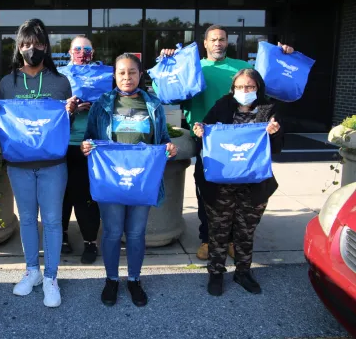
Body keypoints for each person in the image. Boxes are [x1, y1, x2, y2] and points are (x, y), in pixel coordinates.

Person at [156, 25, 293, 261]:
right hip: (207, 137)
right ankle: (208, 239)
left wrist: (284, 56)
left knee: (242, 192)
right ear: (205, 44)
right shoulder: (191, 66)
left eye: (221, 39)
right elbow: (167, 89)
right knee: (207, 189)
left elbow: (271, 80)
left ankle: (232, 239)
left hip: (244, 140)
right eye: (213, 40)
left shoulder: (242, 67)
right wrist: (167, 59)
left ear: (227, 42)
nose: (217, 43)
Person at [0, 19, 77, 308]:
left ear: (46, 47)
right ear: (18, 47)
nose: (31, 49)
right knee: (26, 219)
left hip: (53, 164)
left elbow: (65, 122)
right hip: (19, 164)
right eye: (25, 44)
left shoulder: (60, 82)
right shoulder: (8, 82)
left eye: (37, 44)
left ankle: (51, 277)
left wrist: (71, 111)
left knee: (52, 220)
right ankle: (32, 271)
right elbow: (4, 122)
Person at [81, 53, 177, 307]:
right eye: (121, 72)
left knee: (136, 233)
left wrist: (169, 147)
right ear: (114, 75)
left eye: (132, 72)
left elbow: (163, 138)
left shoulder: (153, 104)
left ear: (140, 74)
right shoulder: (102, 104)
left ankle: (134, 279)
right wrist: (86, 146)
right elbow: (90, 137)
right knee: (112, 232)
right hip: (111, 179)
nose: (127, 77)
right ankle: (111, 279)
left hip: (142, 180)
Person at [192, 68, 283, 296]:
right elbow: (204, 133)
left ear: (258, 88)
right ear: (233, 89)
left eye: (250, 86)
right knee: (218, 229)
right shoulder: (223, 105)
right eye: (240, 87)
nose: (245, 91)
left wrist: (274, 133)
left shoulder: (269, 109)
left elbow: (278, 148)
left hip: (254, 182)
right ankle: (216, 272)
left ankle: (243, 272)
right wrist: (199, 130)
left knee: (245, 230)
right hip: (221, 182)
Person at [59, 35, 101, 264]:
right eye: (77, 49)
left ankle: (90, 241)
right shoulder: (60, 76)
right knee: (62, 195)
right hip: (63, 144)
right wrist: (70, 109)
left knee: (87, 196)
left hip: (90, 145)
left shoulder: (101, 75)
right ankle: (62, 236)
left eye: (87, 49)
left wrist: (96, 107)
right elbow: (51, 109)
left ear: (92, 52)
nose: (82, 53)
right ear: (69, 52)